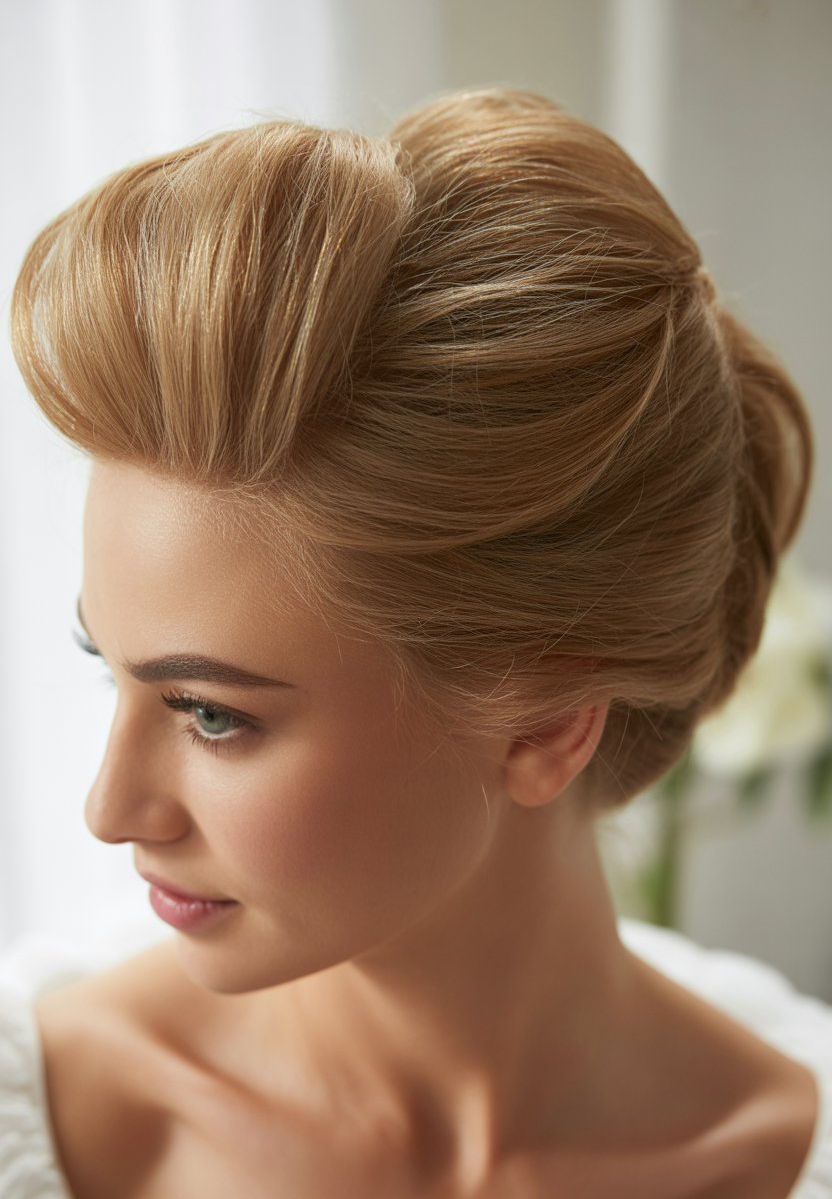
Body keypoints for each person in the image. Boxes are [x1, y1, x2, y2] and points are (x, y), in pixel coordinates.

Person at [2, 86, 830, 1198]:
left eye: (211, 715)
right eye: (108, 668)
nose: (110, 811)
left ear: (547, 725)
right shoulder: (54, 1123)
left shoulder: (784, 1161)